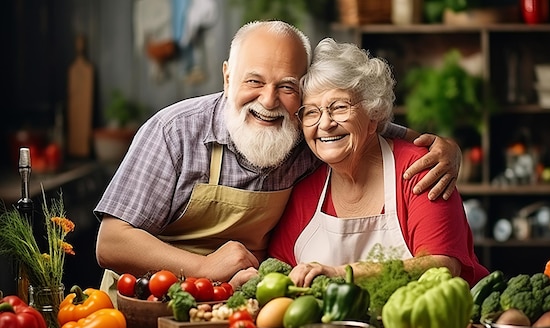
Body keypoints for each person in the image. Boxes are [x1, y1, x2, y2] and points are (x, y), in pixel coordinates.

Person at [94, 21, 462, 297]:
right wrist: (205, 268)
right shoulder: (175, 133)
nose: (269, 101)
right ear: (227, 77)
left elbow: (366, 124)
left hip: (234, 305)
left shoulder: (303, 131)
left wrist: (446, 148)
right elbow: (110, 242)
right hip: (144, 300)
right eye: (254, 81)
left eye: (286, 86)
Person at [268, 38, 488, 288]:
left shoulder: (420, 169)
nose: (325, 124)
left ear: (373, 116)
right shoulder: (303, 187)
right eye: (311, 112)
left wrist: (340, 274)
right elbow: (280, 273)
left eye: (339, 107)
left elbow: (441, 266)